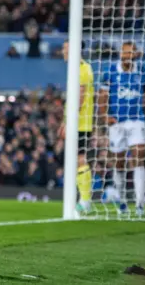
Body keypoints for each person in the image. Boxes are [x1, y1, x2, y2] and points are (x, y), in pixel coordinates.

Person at [98, 41, 145, 216]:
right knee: (119, 162)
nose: (126, 56)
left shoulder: (143, 72)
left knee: (139, 156)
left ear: (135, 54)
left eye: (129, 53)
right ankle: (122, 200)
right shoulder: (110, 72)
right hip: (117, 123)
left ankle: (140, 204)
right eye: (124, 53)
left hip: (136, 120)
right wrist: (104, 116)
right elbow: (103, 96)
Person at [58, 40, 94, 214]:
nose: (62, 51)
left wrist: (68, 122)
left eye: (65, 48)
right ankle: (81, 199)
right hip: (77, 122)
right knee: (76, 159)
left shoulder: (82, 69)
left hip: (80, 123)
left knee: (79, 159)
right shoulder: (76, 69)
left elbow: (79, 99)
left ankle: (85, 200)